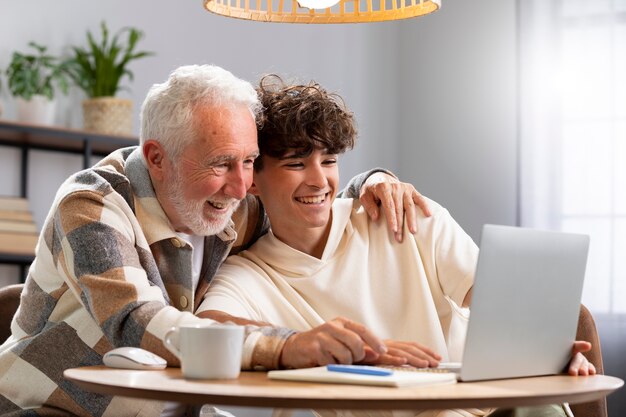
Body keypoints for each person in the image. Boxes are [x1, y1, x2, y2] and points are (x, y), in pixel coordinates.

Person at [0, 65, 429, 417]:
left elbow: (305, 200)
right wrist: (287, 345)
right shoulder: (91, 206)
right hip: (53, 408)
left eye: (249, 161)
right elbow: (136, 323)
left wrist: (373, 181)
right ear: (156, 158)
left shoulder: (231, 204)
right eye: (222, 164)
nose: (241, 186)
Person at [199, 76, 596, 417]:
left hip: (488, 406)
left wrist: (546, 354)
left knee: (540, 406)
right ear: (252, 179)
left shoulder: (403, 215)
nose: (320, 181)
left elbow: (499, 304)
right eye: (296, 164)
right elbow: (205, 331)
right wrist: (325, 347)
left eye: (330, 160)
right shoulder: (249, 273)